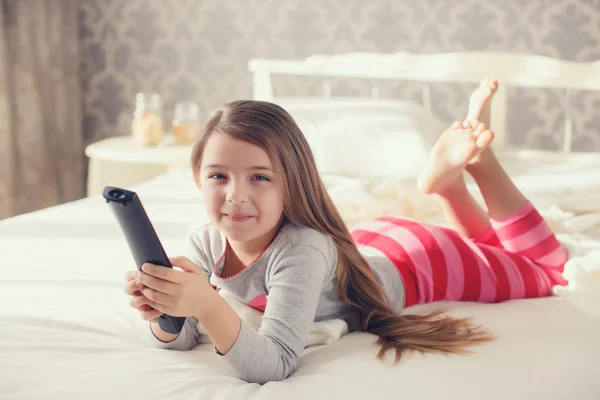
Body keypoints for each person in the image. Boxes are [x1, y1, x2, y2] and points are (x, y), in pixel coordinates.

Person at [123, 78, 568, 385]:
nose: (235, 195)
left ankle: (480, 164)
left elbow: (274, 364)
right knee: (489, 248)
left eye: (259, 177)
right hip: (374, 245)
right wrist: (164, 310)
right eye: (219, 176)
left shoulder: (301, 248)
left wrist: (206, 303)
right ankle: (449, 188)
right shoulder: (206, 240)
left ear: (291, 182)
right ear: (197, 176)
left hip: (424, 262)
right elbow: (181, 339)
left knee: (549, 270)